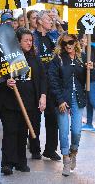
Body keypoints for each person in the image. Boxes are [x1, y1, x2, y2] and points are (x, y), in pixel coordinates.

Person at [0, 27, 47, 175]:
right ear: (17, 42)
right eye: (26, 40)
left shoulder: (34, 59)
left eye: (31, 40)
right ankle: (7, 164)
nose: (29, 43)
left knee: (22, 133)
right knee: (10, 132)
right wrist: (6, 81)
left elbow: (43, 79)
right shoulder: (7, 59)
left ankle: (20, 162)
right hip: (9, 103)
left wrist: (43, 96)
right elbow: (0, 75)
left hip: (28, 103)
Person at [48, 31, 93, 176]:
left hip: (78, 98)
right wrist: (60, 100)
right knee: (63, 131)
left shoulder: (82, 58)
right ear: (61, 44)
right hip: (62, 98)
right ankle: (66, 159)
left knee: (76, 131)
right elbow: (53, 80)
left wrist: (89, 69)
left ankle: (74, 152)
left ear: (76, 42)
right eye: (65, 43)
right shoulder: (58, 59)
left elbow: (87, 80)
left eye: (71, 42)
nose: (68, 45)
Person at [33, 10, 61, 161]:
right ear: (39, 21)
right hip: (36, 82)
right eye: (48, 19)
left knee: (52, 117)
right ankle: (35, 148)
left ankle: (50, 149)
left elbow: (65, 39)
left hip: (51, 82)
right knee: (35, 117)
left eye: (51, 19)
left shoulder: (52, 36)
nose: (51, 21)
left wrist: (58, 19)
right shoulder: (32, 37)